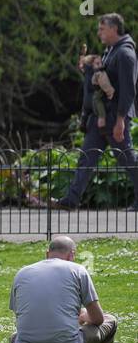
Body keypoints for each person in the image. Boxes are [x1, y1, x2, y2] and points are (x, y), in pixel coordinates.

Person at [57, 14, 138, 211]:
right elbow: (103, 79)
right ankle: (71, 200)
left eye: (102, 29)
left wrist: (120, 120)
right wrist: (87, 70)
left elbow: (129, 91)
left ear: (114, 29)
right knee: (87, 156)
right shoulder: (110, 51)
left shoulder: (125, 54)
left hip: (114, 118)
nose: (99, 33)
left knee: (127, 160)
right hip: (100, 118)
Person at [8, 236, 117, 343]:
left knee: (14, 336)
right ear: (72, 255)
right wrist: (82, 316)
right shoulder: (78, 270)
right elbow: (98, 319)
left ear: (47, 254)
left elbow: (19, 315)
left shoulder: (22, 273)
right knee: (110, 319)